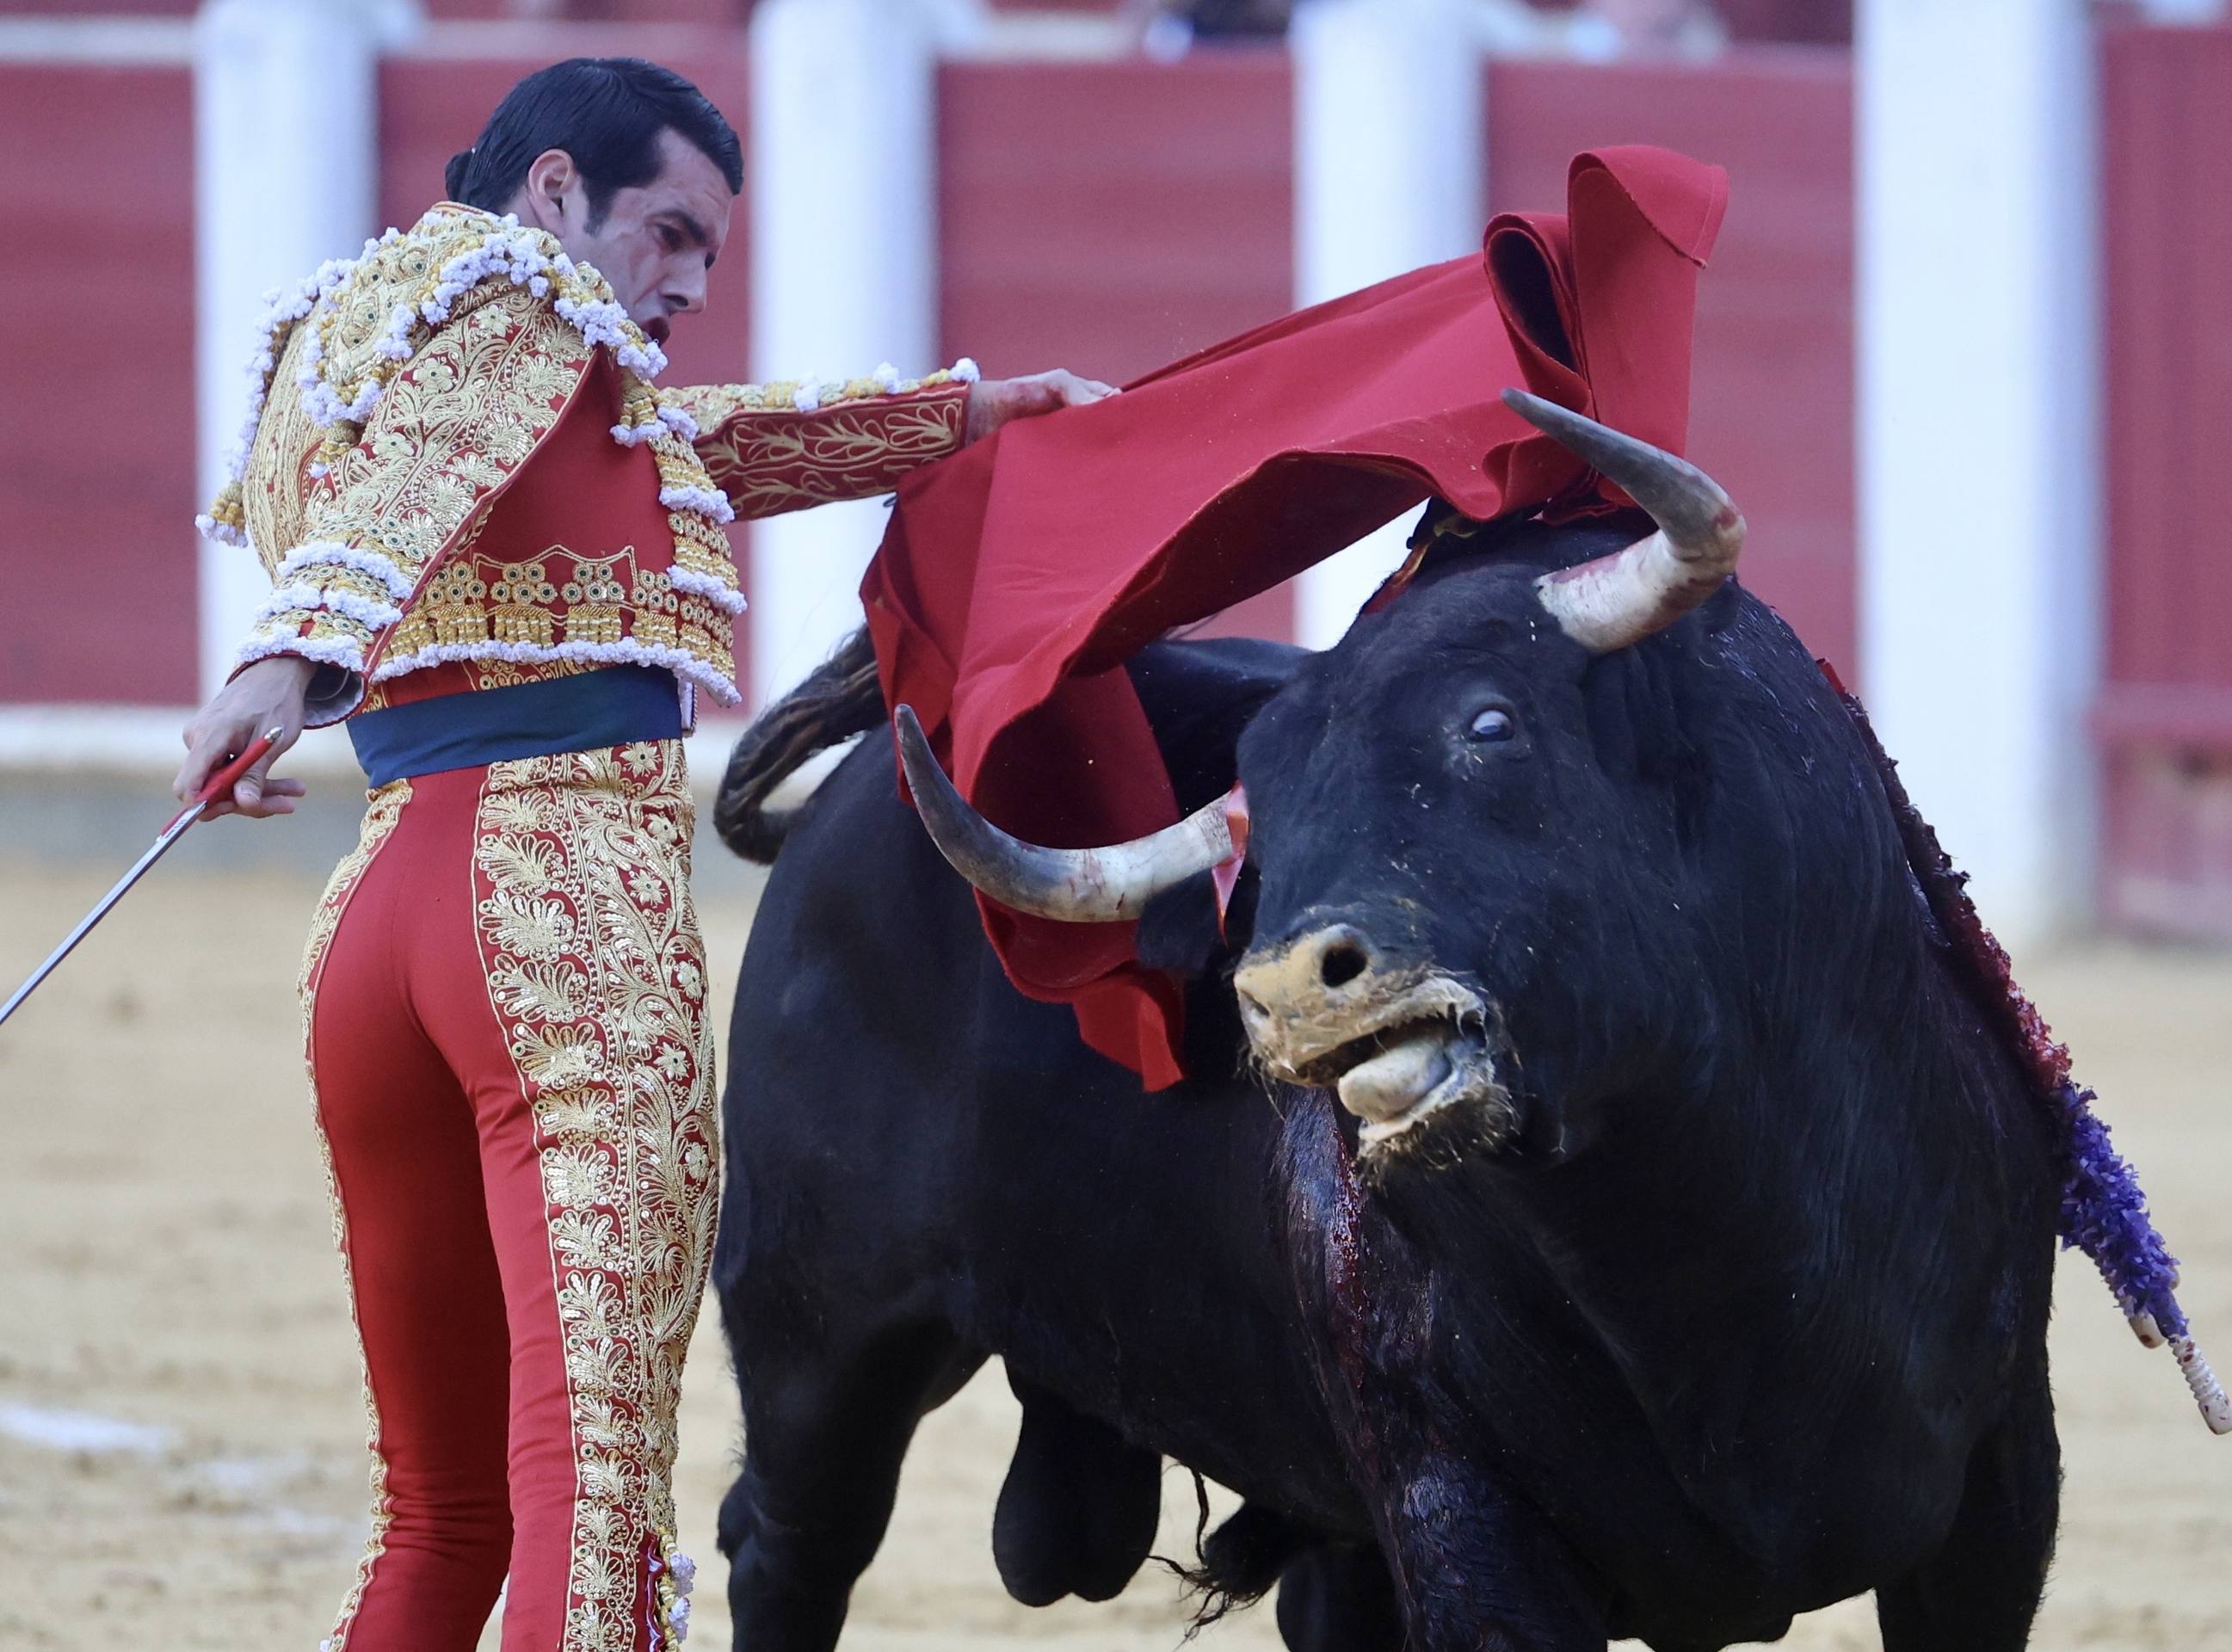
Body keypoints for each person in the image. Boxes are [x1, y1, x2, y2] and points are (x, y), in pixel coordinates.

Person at [175, 56, 1112, 1652]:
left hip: (382, 928)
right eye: (669, 232)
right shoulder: (511, 307)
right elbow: (416, 488)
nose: (686, 280)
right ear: (552, 195)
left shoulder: (350, 332)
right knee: (590, 1508)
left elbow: (669, 448)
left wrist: (952, 419)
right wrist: (288, 655)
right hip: (555, 920)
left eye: (711, 253)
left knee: (441, 1513)